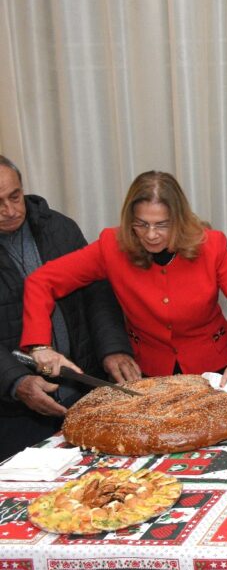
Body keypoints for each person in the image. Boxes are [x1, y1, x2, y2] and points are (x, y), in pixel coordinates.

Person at [21, 171, 227, 391]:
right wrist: (40, 346)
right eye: (141, 224)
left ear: (179, 220)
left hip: (216, 367)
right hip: (149, 373)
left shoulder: (210, 245)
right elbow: (41, 281)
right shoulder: (112, 246)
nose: (151, 235)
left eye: (162, 225)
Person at [0, 156, 138, 459]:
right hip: (15, 411)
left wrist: (112, 348)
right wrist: (16, 380)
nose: (10, 211)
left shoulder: (59, 228)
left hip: (82, 390)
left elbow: (98, 294)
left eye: (15, 196)